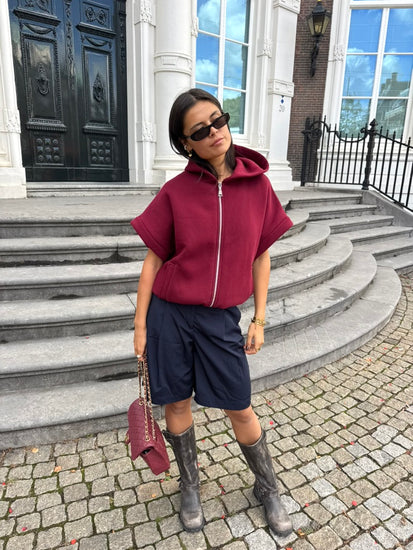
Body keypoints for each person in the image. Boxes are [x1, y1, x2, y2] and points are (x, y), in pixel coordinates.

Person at [131, 88, 293, 535]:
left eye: (218, 120)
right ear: (186, 144)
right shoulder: (175, 192)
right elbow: (153, 261)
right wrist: (140, 325)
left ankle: (267, 487)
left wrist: (259, 318)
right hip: (170, 316)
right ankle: (190, 486)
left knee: (239, 405)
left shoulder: (258, 186)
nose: (214, 132)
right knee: (177, 401)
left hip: (221, 319)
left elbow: (261, 256)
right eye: (200, 131)